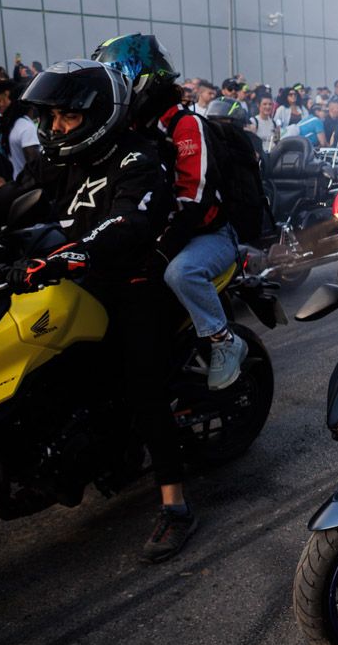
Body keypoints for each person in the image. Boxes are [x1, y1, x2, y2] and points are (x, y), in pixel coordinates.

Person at [0, 60, 197, 562]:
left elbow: (127, 220)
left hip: (131, 282)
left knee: (142, 389)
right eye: (50, 116)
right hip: (68, 280)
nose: (54, 127)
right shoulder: (57, 161)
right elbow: (8, 197)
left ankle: (175, 506)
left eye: (66, 117)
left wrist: (68, 255)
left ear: (101, 114)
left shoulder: (138, 158)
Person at [91, 34, 248, 391]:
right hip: (154, 236)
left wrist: (162, 249)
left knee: (180, 273)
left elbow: (195, 198)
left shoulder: (185, 126)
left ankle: (223, 341)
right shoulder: (129, 130)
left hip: (206, 237)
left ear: (142, 80)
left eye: (120, 80)